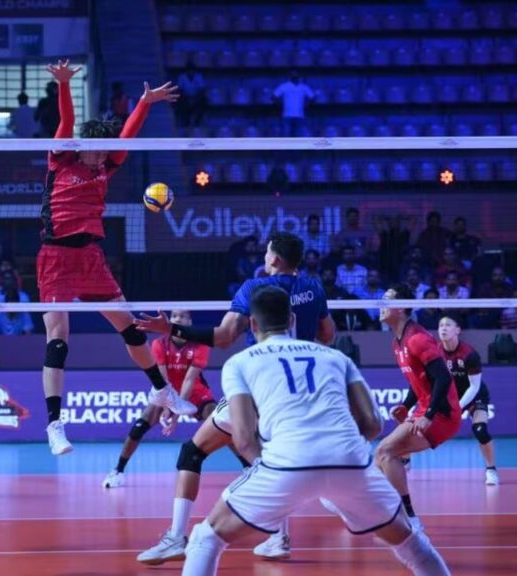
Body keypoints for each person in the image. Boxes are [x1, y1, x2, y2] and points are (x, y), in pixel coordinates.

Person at [179, 286, 450, 576]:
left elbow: (244, 439)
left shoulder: (239, 363)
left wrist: (276, 471)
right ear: (292, 320)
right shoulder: (336, 358)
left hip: (286, 463)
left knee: (205, 538)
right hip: (350, 461)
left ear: (253, 324)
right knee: (412, 544)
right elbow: (373, 425)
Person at [135, 231, 335, 564]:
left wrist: (172, 329)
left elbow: (225, 337)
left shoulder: (255, 288)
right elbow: (327, 335)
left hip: (257, 391)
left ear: (273, 259)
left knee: (192, 452)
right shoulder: (314, 288)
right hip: (295, 394)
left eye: (267, 252)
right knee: (266, 458)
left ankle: (176, 538)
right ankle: (279, 538)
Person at [37, 59, 191, 457]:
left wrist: (144, 103)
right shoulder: (61, 159)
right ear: (81, 146)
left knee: (131, 327)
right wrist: (65, 85)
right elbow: (66, 122)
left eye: (104, 148)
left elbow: (129, 134)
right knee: (58, 339)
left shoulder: (107, 165)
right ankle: (55, 425)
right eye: (93, 147)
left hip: (90, 257)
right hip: (54, 256)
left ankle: (163, 391)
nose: (99, 152)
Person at [375, 283, 460, 533]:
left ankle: (409, 518)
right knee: (382, 458)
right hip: (424, 409)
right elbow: (419, 380)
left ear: (400, 308)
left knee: (384, 451)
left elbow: (443, 378)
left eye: (387, 299)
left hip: (442, 415)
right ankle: (393, 510)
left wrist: (429, 415)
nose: (381, 305)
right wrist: (406, 404)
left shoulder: (418, 339)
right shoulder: (397, 343)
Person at [104, 310, 213, 489]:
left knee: (221, 420)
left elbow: (189, 380)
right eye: (175, 316)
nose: (178, 319)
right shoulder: (159, 344)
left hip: (194, 391)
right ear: (170, 320)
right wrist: (166, 405)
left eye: (183, 316)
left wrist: (176, 416)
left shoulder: (200, 344)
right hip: (166, 390)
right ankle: (118, 471)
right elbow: (162, 379)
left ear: (190, 321)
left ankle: (248, 465)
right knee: (139, 426)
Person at [435, 314, 499, 485]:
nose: (443, 328)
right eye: (441, 325)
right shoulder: (435, 352)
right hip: (450, 394)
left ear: (457, 330)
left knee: (480, 430)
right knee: (421, 424)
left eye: (448, 325)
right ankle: (406, 461)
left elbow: (474, 386)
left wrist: (457, 406)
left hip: (474, 394)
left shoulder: (469, 354)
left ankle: (491, 470)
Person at [272, 70, 314, 137]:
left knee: (299, 135)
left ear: (299, 76)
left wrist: (306, 106)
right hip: (287, 114)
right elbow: (274, 96)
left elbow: (312, 97)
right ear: (290, 76)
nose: (294, 76)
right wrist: (281, 106)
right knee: (286, 134)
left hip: (300, 114)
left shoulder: (303, 87)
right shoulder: (284, 86)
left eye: (296, 75)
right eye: (293, 74)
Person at [176, 59, 207, 132]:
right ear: (186, 71)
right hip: (185, 98)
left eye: (192, 70)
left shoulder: (199, 77)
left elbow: (202, 90)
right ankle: (186, 124)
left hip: (197, 98)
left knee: (203, 102)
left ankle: (197, 124)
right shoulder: (182, 77)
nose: (191, 72)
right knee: (181, 103)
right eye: (189, 70)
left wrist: (195, 99)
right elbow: (180, 90)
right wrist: (188, 99)